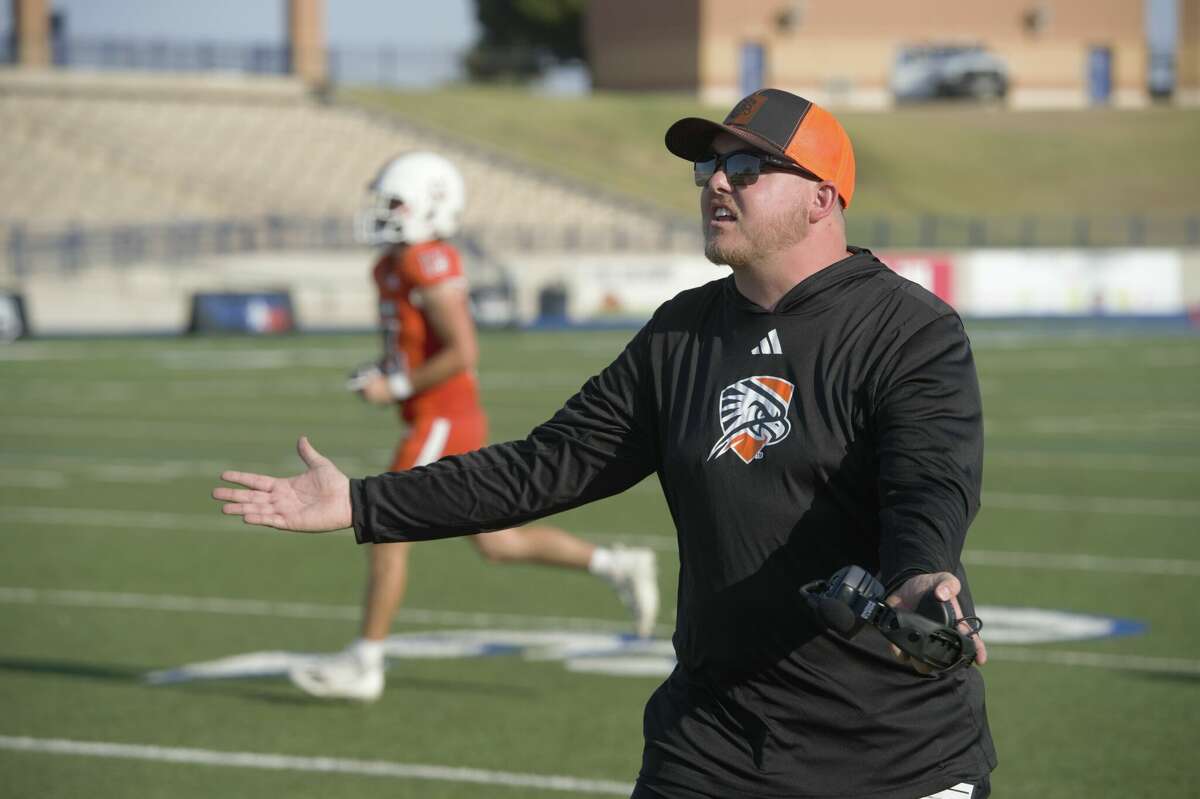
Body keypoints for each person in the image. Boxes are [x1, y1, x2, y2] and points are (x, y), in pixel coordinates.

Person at [214, 90, 996, 798]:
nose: (716, 181)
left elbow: (928, 479)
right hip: (713, 742)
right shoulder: (680, 334)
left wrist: (924, 573)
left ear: (823, 197)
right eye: (708, 164)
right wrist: (361, 500)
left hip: (891, 758)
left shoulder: (909, 331)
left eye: (747, 165)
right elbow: (543, 466)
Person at [286, 151, 660, 703]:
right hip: (435, 415)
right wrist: (388, 374)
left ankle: (366, 662)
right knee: (495, 541)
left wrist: (399, 386)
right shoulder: (390, 264)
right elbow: (416, 346)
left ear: (431, 207)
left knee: (383, 524)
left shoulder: (428, 261)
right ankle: (616, 564)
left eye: (395, 202)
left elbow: (462, 350)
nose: (383, 212)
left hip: (443, 417)